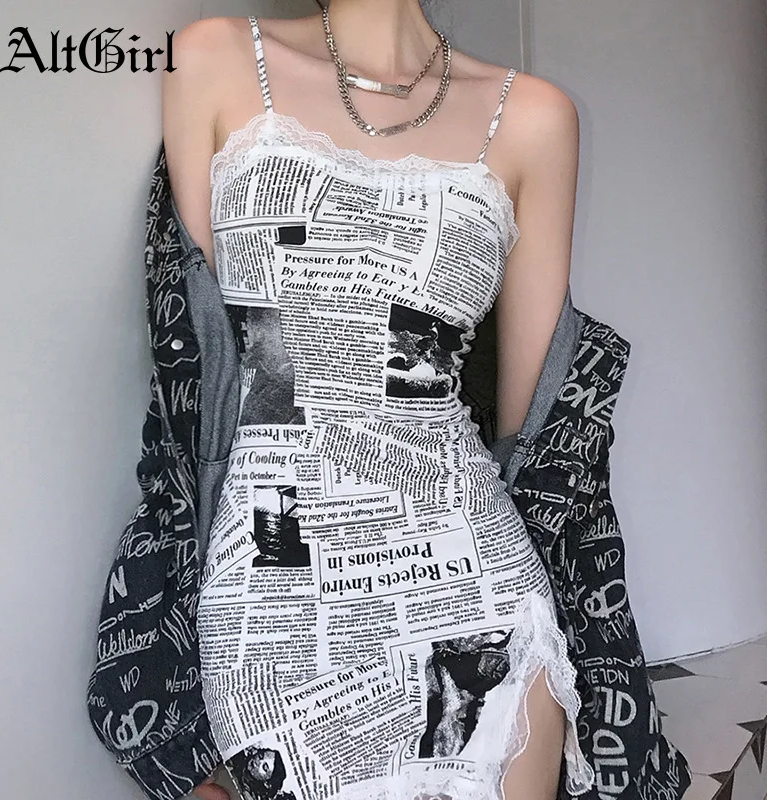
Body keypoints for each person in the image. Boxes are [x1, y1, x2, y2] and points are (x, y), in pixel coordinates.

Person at [162, 1, 583, 799]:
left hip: (472, 569)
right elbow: (207, 359)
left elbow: (528, 427)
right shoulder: (213, 58)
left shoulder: (534, 117)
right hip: (278, 577)